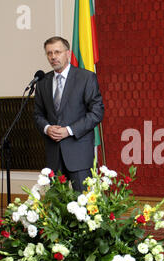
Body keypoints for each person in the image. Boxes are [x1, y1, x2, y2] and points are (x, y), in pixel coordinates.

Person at [33, 36, 104, 192]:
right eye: (49, 53)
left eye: (57, 52)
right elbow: (38, 114)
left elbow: (97, 112)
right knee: (57, 209)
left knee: (83, 205)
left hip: (78, 154)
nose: (53, 57)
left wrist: (69, 130)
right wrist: (47, 128)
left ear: (68, 53)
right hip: (54, 155)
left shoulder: (86, 78)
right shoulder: (42, 82)